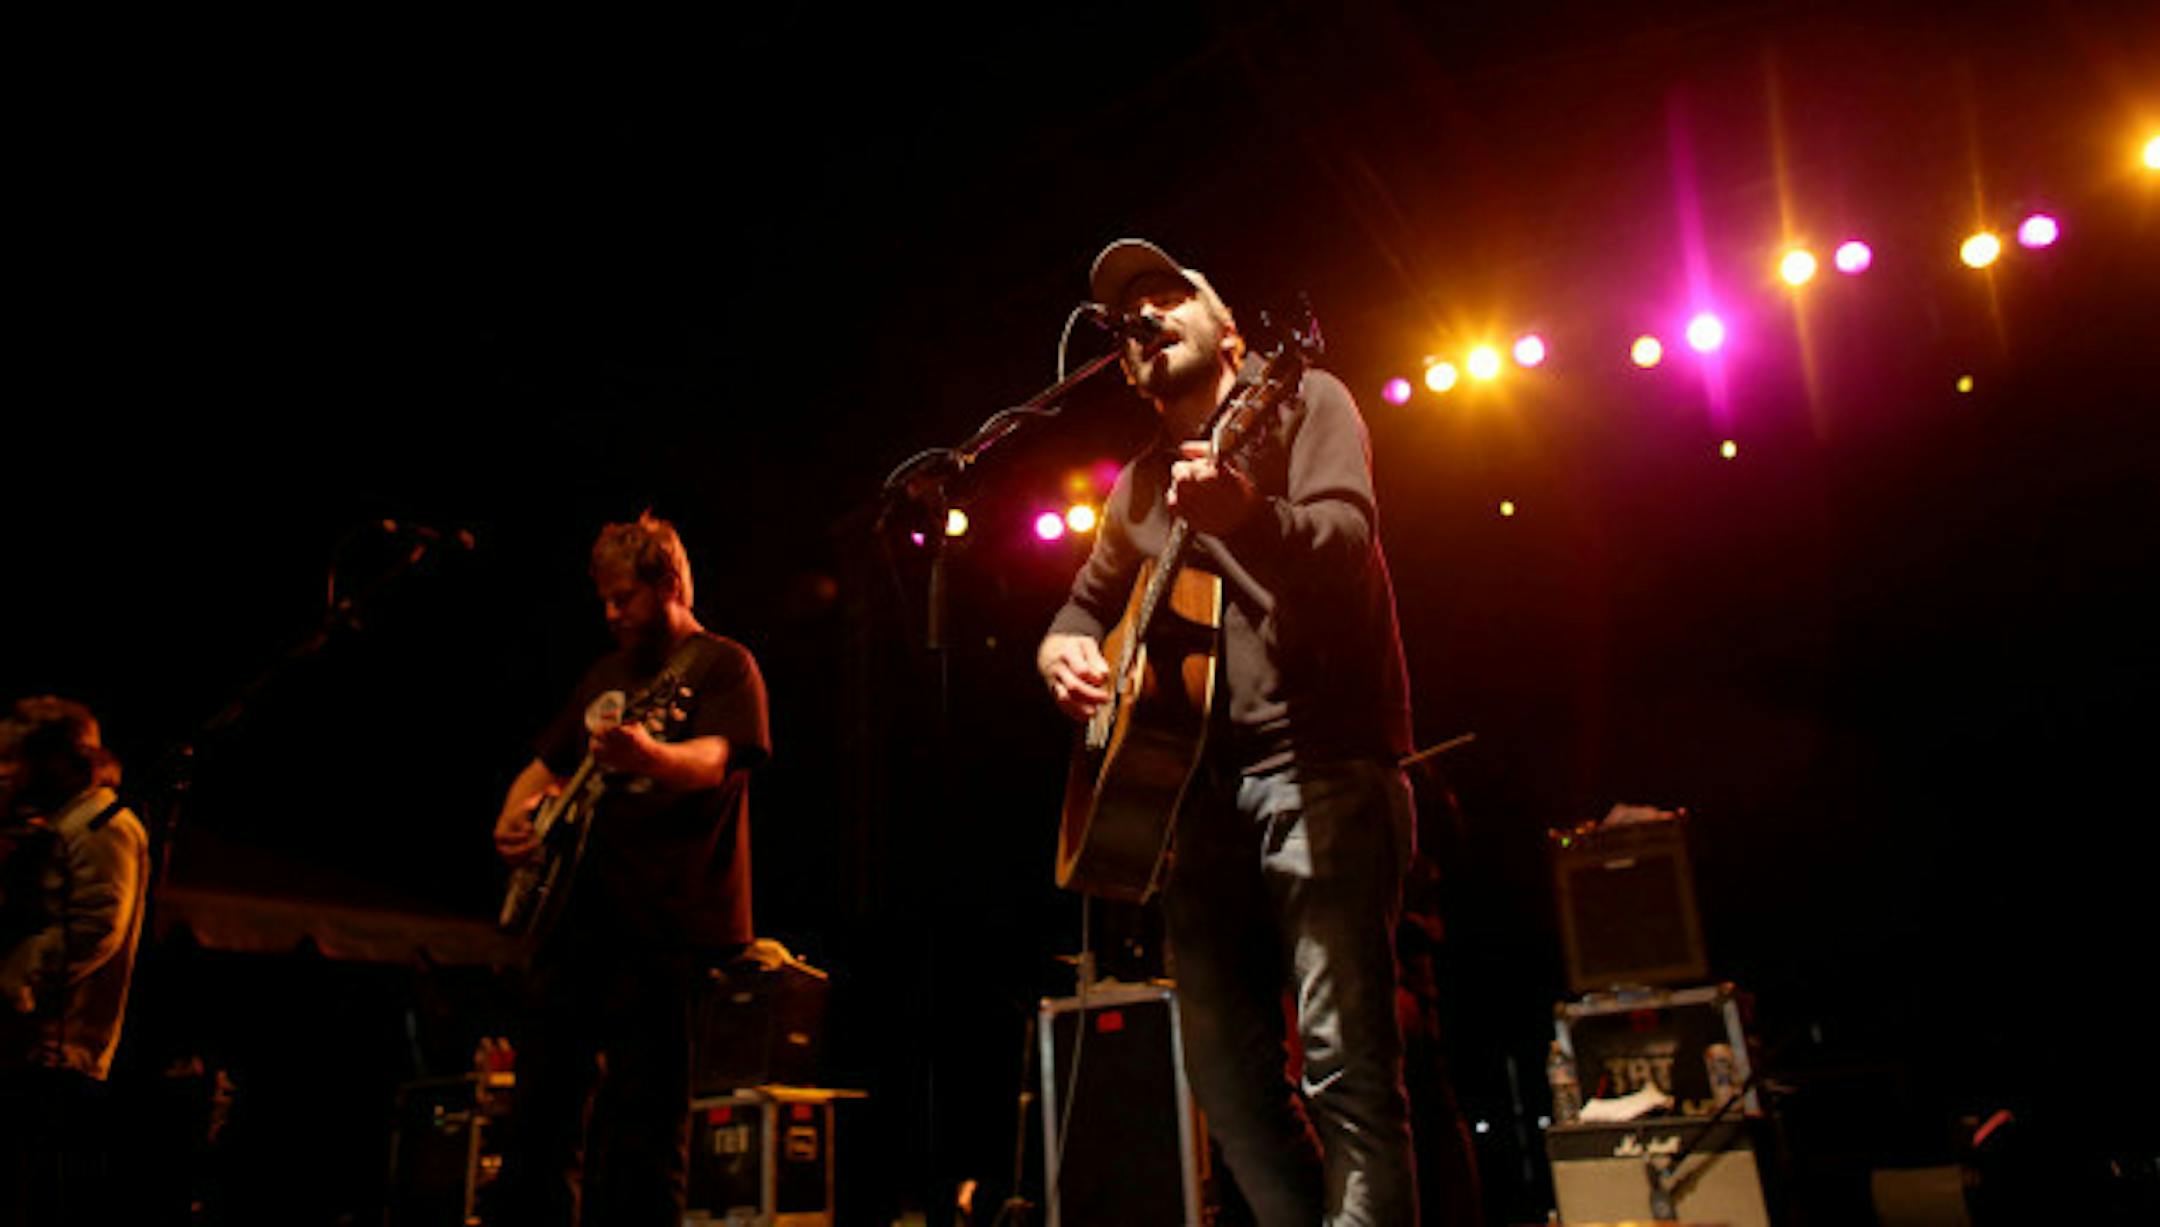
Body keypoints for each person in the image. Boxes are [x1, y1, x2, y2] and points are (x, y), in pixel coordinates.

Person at [1038, 239, 1427, 1224]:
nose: (1147, 314)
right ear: (1122, 364)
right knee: (1228, 1087)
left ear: (1231, 331)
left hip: (1324, 766)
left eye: (1171, 293)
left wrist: (1246, 514)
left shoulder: (1303, 403)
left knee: (1345, 1070)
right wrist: (1060, 652)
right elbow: (1081, 610)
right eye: (1131, 314)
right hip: (1198, 806)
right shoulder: (1132, 488)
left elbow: (1344, 543)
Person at [491, 511, 771, 1226]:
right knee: (538, 1116)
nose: (612, 613)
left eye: (626, 598)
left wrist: (650, 756)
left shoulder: (722, 664)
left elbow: (715, 759)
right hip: (576, 918)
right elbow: (543, 767)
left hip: (666, 922)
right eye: (606, 600)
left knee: (645, 1126)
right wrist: (514, 818)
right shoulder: (605, 673)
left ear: (670, 583)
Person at [0, 695, 150, 1227]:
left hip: (54, 1053)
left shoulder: (102, 823)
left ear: (61, 759)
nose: (5, 771)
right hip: (29, 1048)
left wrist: (16, 981)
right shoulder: (62, 822)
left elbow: (96, 927)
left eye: (15, 757)